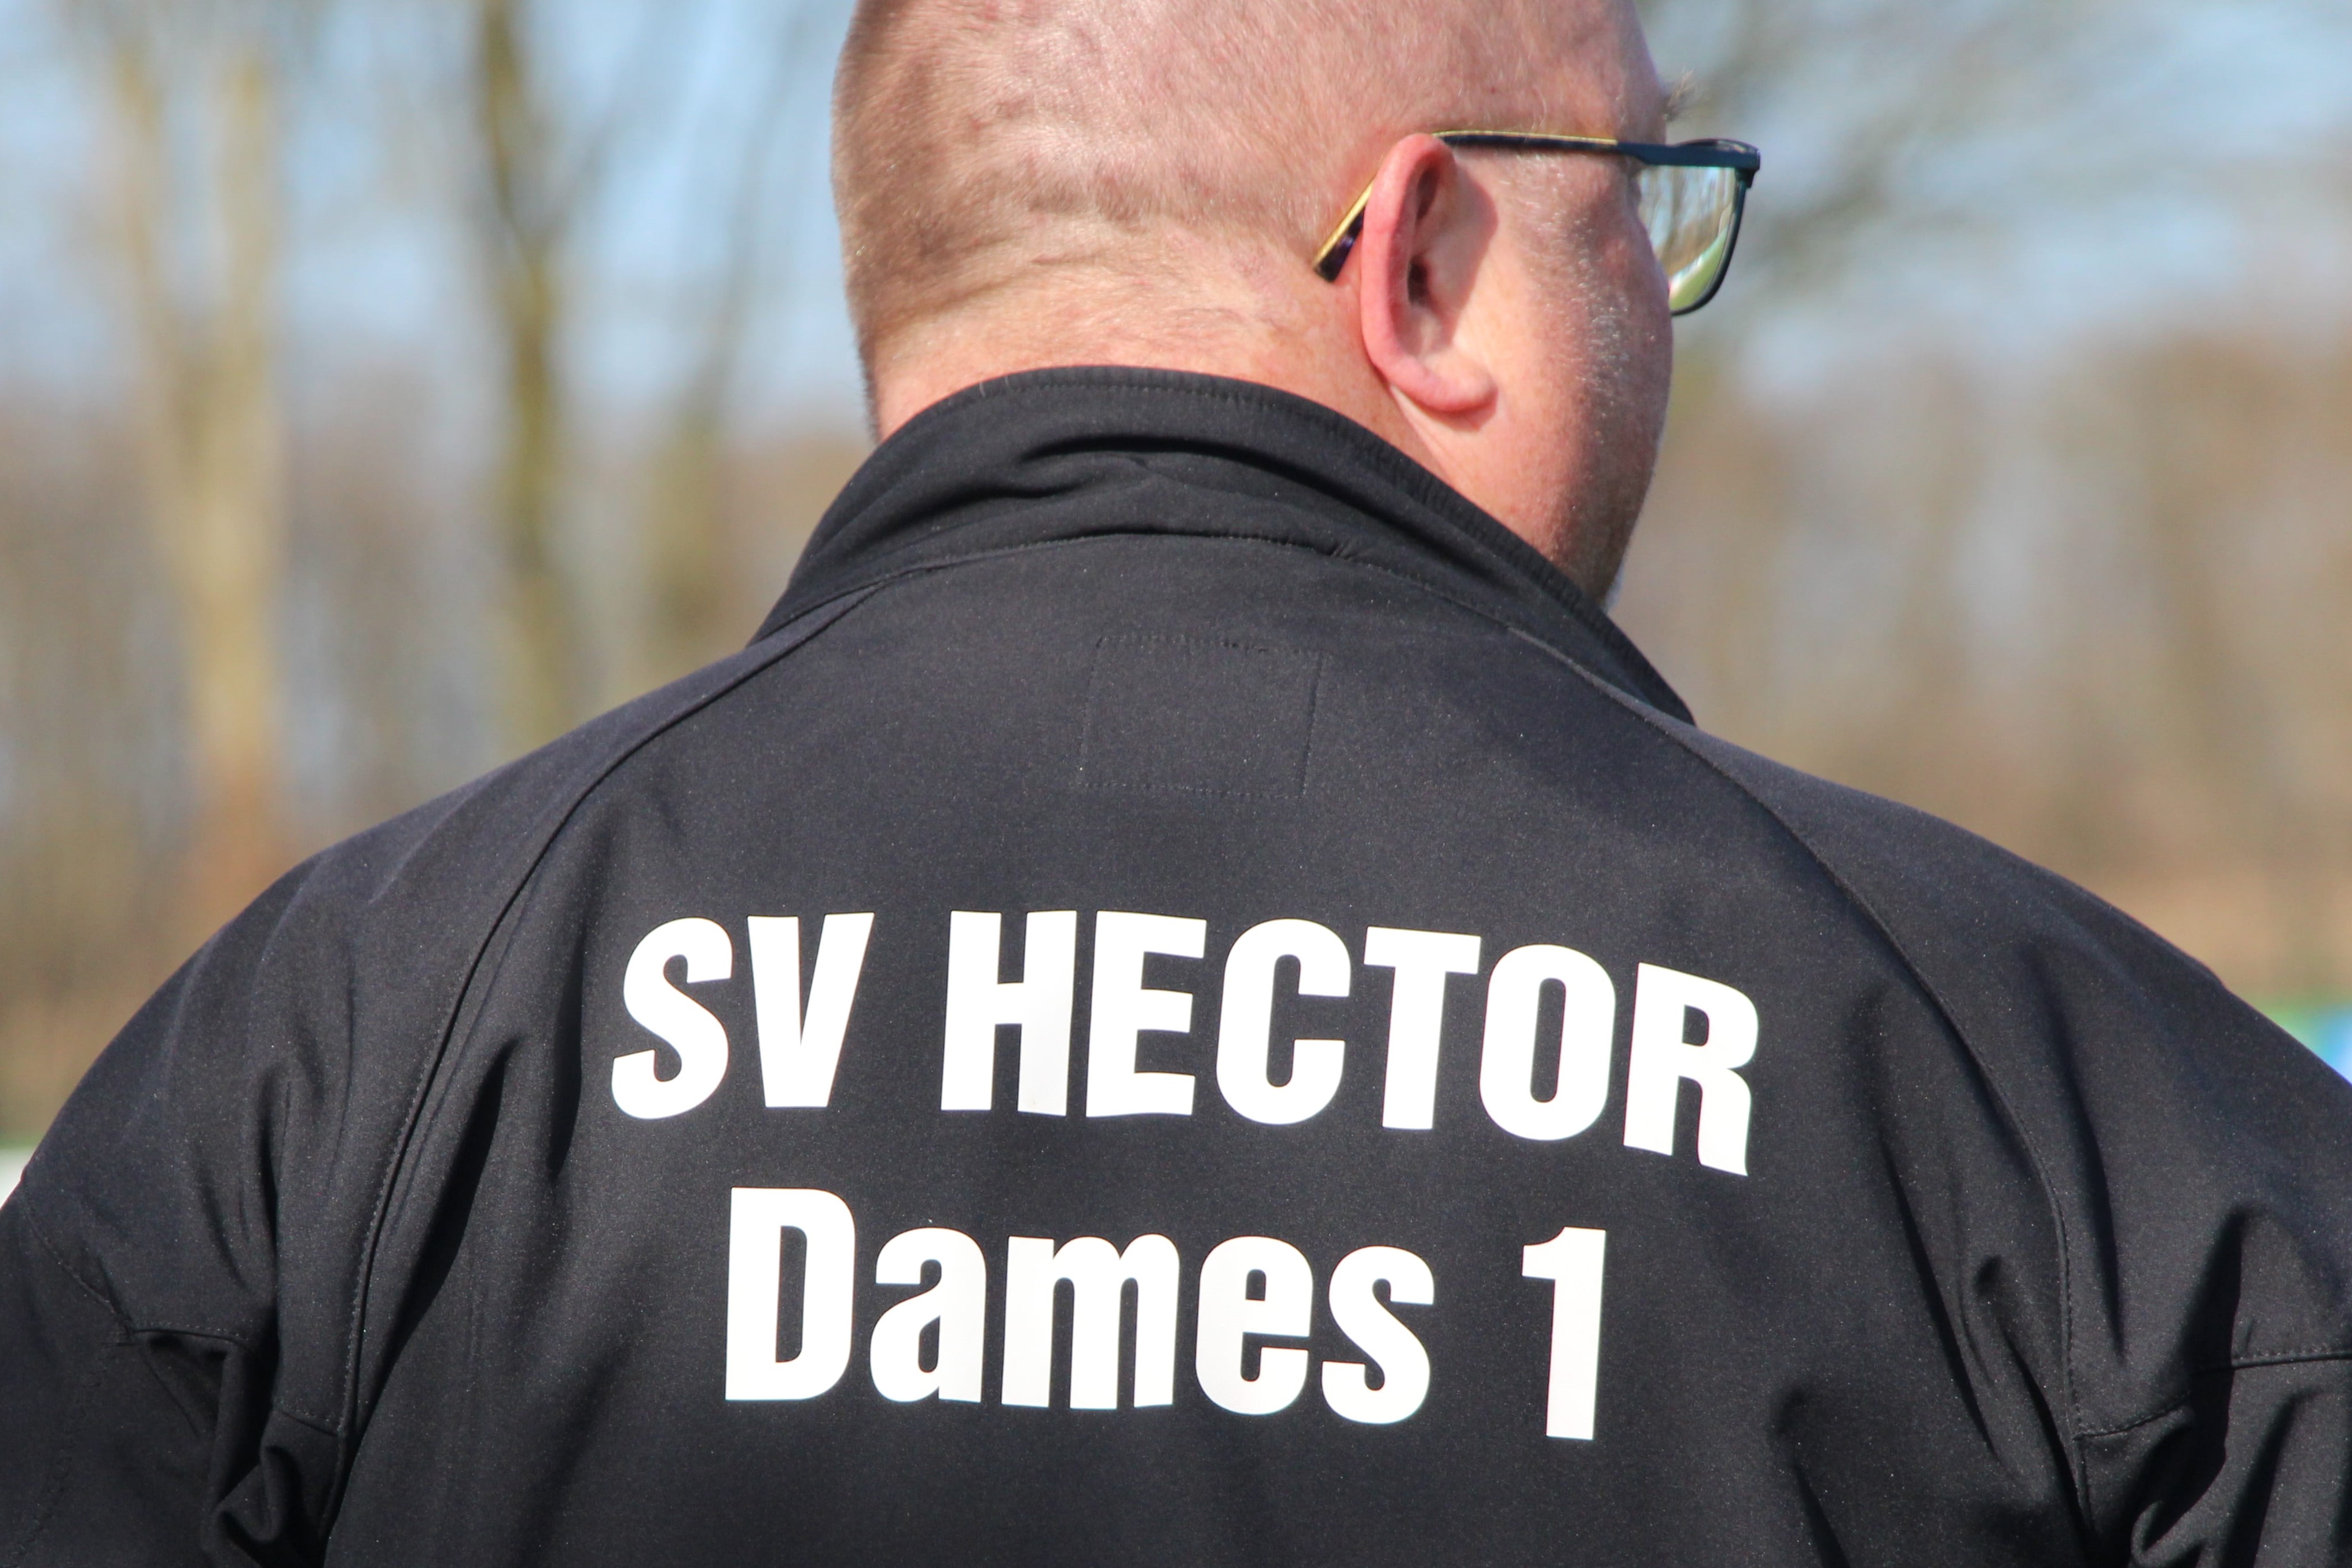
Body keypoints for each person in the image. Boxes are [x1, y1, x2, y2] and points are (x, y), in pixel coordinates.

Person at [5, 0, 2349, 1560]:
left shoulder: (333, 1067)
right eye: (1634, 201)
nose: (1660, 289)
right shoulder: (2055, 1108)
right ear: (1416, 258)